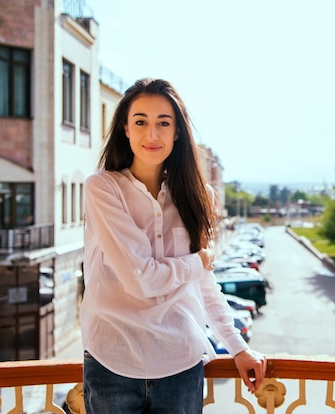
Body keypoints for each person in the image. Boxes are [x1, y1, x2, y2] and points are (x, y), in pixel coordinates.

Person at [80, 78, 267, 413]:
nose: (152, 135)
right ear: (125, 128)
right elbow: (140, 279)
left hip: (181, 363)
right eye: (141, 122)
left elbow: (205, 285)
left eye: (163, 123)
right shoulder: (103, 189)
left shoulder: (199, 197)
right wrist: (198, 261)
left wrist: (237, 347)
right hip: (113, 361)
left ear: (177, 131)